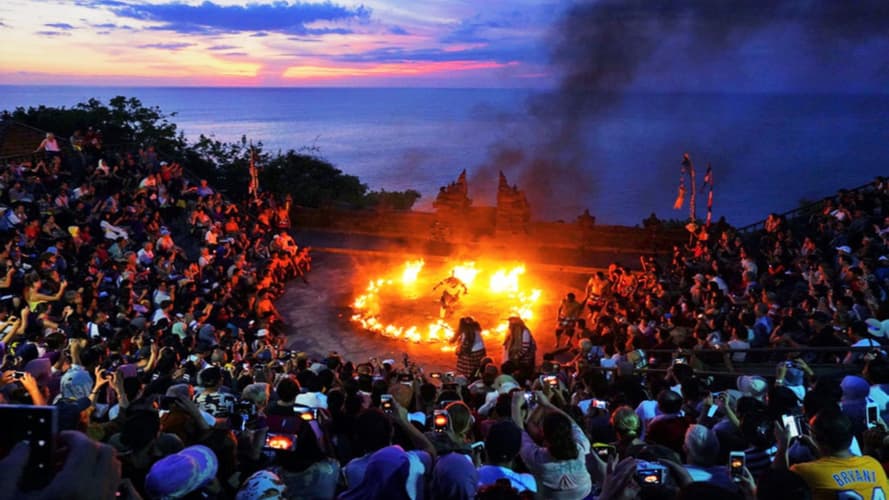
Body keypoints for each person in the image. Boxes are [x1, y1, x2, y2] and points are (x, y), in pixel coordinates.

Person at [790, 407, 889, 499]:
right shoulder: (874, 464)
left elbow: (779, 480)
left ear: (816, 438)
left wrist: (782, 445)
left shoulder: (803, 471)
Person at [503, 316, 536, 381]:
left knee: (525, 376)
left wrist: (516, 356)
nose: (509, 326)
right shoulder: (512, 332)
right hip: (518, 360)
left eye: (511, 324)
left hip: (526, 360)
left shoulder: (524, 332)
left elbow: (525, 349)